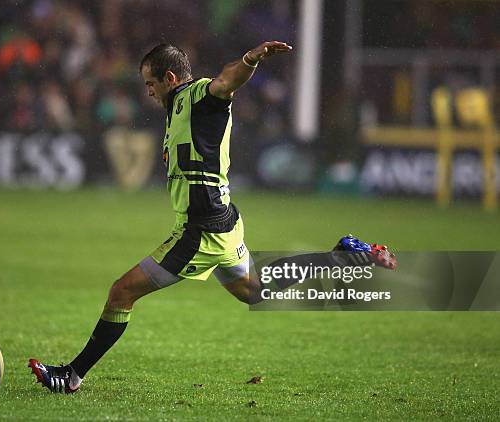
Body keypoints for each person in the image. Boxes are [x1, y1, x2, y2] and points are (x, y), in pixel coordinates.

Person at [28, 41, 395, 393]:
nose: (149, 92)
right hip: (223, 223)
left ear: (170, 78)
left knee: (121, 293)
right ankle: (344, 254)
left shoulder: (197, 96)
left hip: (200, 231)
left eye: (151, 83)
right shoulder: (175, 110)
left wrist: (250, 60)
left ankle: (72, 375)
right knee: (257, 291)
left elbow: (225, 82)